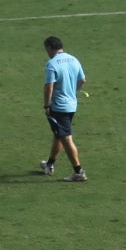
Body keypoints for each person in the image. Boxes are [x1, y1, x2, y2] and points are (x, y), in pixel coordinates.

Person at [41, 35, 86, 181]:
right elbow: (82, 80)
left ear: (50, 48)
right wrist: (72, 92)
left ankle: (78, 172)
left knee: (66, 138)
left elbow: (49, 86)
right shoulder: (74, 59)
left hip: (59, 106)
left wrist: (47, 105)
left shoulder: (52, 63)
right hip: (72, 105)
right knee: (59, 135)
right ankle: (50, 164)